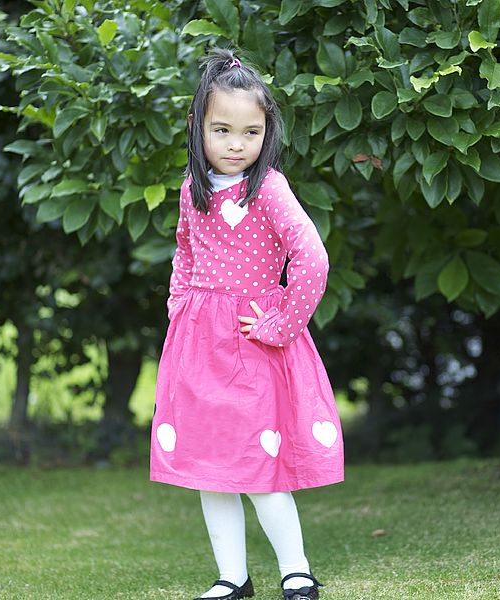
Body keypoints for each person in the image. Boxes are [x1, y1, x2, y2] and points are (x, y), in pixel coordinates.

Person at [149, 47, 345, 600]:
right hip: (198, 348)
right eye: (223, 129)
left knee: (261, 466)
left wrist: (281, 322)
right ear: (198, 128)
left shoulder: (270, 189)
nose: (237, 144)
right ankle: (232, 577)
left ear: (267, 132)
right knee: (210, 468)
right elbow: (184, 254)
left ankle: (296, 569)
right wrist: (180, 310)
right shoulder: (193, 190)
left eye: (251, 132)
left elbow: (313, 259)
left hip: (255, 345)